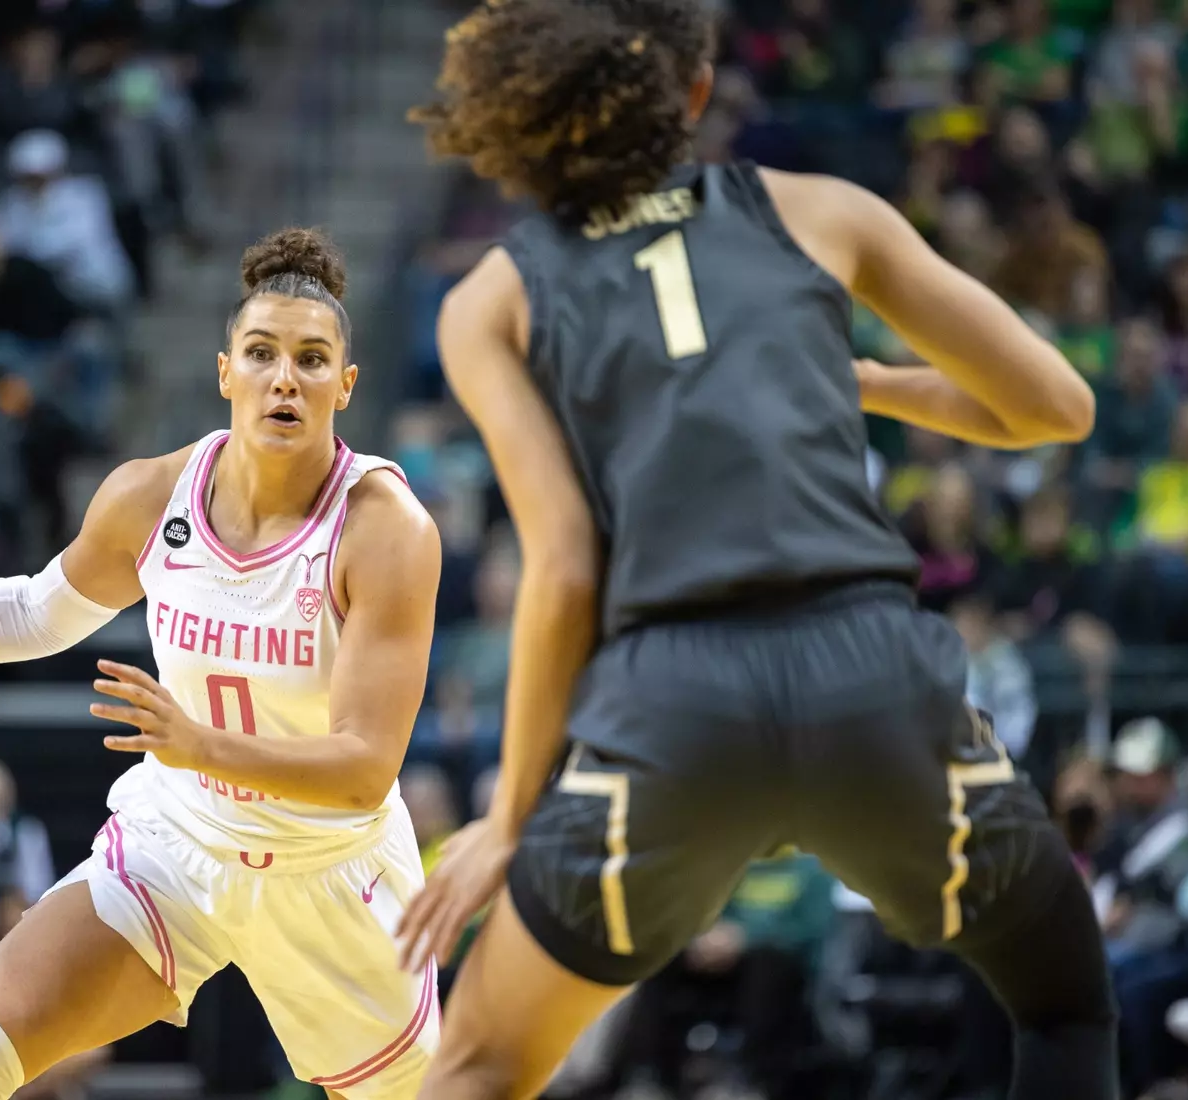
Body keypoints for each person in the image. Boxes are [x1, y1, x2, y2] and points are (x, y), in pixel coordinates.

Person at [395, 3, 1114, 1099]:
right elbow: (1053, 405)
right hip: (872, 674)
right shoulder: (823, 211)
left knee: (481, 1063)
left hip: (674, 703)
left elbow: (568, 568)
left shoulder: (489, 298)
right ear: (696, 92)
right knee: (1062, 997)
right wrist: (859, 379)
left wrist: (510, 813)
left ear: (523, 119)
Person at [0, 228, 441, 1099]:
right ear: (225, 373)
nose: (286, 377)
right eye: (262, 353)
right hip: (178, 842)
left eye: (313, 359)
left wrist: (197, 742)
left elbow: (364, 770)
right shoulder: (150, 495)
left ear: (345, 386)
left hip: (332, 874)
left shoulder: (385, 528)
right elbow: (33, 611)